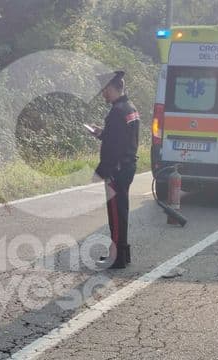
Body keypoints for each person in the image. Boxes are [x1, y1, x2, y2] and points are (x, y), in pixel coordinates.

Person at [88, 71, 139, 269]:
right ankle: (122, 254)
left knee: (116, 215)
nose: (103, 94)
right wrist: (102, 133)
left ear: (112, 88)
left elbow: (114, 148)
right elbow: (119, 138)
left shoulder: (117, 112)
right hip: (127, 166)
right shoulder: (129, 107)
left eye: (104, 90)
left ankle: (116, 257)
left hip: (117, 170)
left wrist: (102, 171)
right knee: (121, 211)